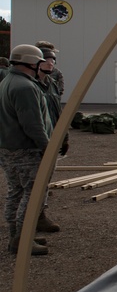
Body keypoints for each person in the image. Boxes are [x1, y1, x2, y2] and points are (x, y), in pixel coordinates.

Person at [0, 45, 56, 256]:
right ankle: (22, 240)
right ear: (32, 63)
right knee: (33, 196)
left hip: (10, 149)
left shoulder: (7, 81)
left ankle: (18, 236)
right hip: (25, 150)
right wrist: (47, 148)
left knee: (16, 192)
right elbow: (33, 125)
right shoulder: (24, 87)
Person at [34, 44, 66, 233]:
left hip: (51, 135)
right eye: (47, 59)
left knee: (45, 179)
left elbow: (57, 109)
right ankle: (24, 224)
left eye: (53, 59)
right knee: (30, 184)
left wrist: (64, 136)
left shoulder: (52, 83)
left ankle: (39, 215)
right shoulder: (29, 85)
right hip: (34, 141)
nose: (51, 63)